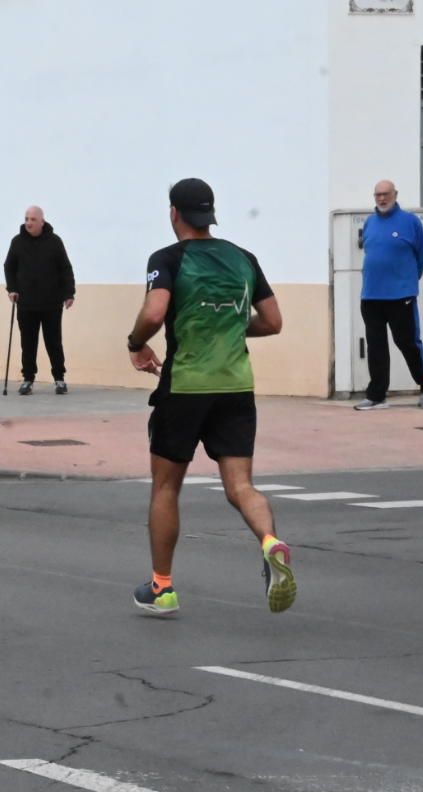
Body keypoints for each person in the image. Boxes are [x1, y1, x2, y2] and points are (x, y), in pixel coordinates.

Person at [125, 177, 295, 617]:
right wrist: (234, 327)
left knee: (166, 486)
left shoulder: (167, 259)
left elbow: (156, 311)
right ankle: (270, 542)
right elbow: (273, 321)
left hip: (185, 386)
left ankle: (162, 588)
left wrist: (136, 342)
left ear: (174, 214)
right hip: (236, 386)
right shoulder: (243, 258)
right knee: (241, 486)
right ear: (210, 214)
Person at [355, 179, 423, 411]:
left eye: (386, 194)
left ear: (395, 194)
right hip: (371, 296)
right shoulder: (370, 222)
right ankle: (377, 395)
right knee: (376, 346)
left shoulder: (410, 222)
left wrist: (407, 280)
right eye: (378, 195)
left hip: (401, 296)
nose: (382, 199)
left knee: (407, 343)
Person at [4, 205, 75, 395]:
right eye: (26, 218)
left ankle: (59, 378)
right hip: (26, 303)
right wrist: (12, 289)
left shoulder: (54, 242)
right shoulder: (17, 242)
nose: (28, 223)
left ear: (42, 221)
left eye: (33, 219)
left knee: (54, 342)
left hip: (51, 303)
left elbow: (65, 268)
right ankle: (28, 379)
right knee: (28, 343)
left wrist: (69, 293)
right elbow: (9, 267)